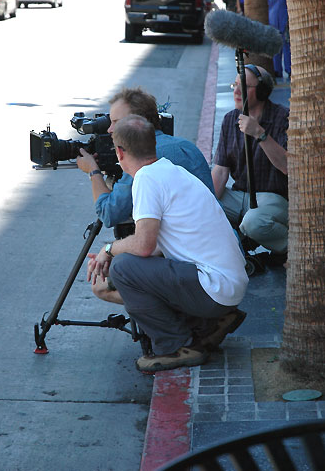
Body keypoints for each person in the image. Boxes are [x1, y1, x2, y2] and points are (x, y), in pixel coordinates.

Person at [87, 115, 248, 373]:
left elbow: (143, 247)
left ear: (119, 152)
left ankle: (177, 346)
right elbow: (160, 246)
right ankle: (205, 324)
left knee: (123, 268)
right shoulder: (171, 170)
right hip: (226, 285)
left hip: (215, 287)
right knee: (125, 272)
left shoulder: (147, 179)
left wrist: (109, 250)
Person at [76, 87, 216, 304]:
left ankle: (184, 327)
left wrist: (93, 171)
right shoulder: (184, 146)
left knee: (104, 284)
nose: (110, 130)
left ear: (137, 124)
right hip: (213, 258)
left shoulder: (144, 159)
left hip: (191, 268)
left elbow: (109, 212)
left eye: (116, 122)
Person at [211, 65, 289, 265]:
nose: (236, 91)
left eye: (243, 86)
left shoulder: (283, 118)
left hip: (274, 197)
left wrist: (260, 134)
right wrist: (205, 204)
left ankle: (292, 247)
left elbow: (288, 167)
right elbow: (220, 172)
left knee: (254, 222)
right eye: (235, 85)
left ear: (262, 91)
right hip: (240, 196)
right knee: (199, 206)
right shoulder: (230, 120)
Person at [267, 0, 291, 78]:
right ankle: (277, 70)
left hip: (285, 21)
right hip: (273, 22)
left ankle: (289, 69)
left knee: (287, 46)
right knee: (276, 47)